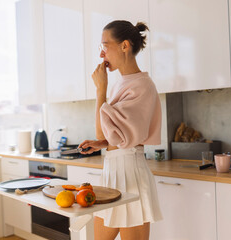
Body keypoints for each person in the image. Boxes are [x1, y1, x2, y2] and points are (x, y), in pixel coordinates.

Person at [79, 20, 162, 240]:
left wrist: (100, 91)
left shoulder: (143, 86)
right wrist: (103, 143)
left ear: (125, 46)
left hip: (131, 175)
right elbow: (115, 134)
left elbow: (104, 131)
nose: (101, 55)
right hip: (111, 171)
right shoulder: (121, 84)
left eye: (105, 46)